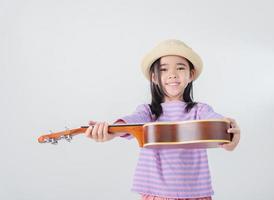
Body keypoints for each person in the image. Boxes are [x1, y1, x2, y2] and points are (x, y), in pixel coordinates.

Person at [85, 39, 241, 200]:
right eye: (164, 69)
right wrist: (112, 130)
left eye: (180, 68)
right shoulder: (148, 112)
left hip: (196, 194)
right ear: (154, 77)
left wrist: (230, 135)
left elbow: (218, 125)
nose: (172, 74)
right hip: (155, 194)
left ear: (191, 74)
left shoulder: (200, 110)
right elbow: (133, 122)